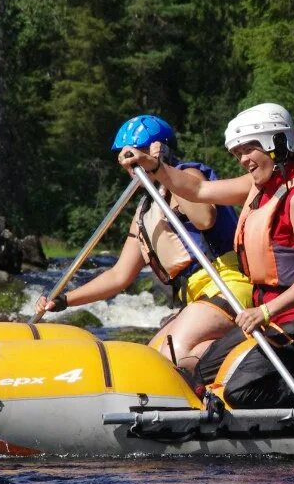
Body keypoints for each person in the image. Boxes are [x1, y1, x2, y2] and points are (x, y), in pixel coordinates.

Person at [118, 103, 294, 409]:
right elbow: (197, 189)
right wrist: (154, 167)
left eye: (249, 149)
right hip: (273, 318)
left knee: (241, 390)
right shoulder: (259, 186)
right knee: (201, 374)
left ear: (276, 143)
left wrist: (264, 312)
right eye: (237, 153)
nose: (243, 160)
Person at [36, 114, 250, 364]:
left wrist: (161, 169)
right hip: (195, 299)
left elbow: (204, 219)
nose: (132, 165)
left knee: (172, 356)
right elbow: (119, 276)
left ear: (158, 150)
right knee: (150, 358)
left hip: (226, 284)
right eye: (128, 159)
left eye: (138, 154)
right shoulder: (145, 211)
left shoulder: (188, 175)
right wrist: (64, 300)